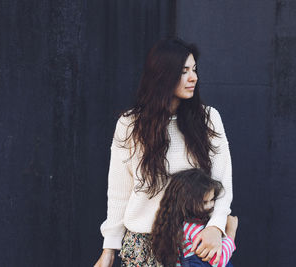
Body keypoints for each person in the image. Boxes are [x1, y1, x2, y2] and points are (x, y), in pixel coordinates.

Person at [94, 37, 233, 266]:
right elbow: (119, 192)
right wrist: (109, 249)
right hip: (143, 246)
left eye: (195, 69)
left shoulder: (208, 119)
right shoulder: (130, 125)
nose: (193, 78)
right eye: (184, 71)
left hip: (194, 243)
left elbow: (222, 181)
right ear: (163, 75)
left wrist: (216, 227)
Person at [151, 168, 238, 267]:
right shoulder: (194, 229)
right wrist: (231, 232)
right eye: (204, 202)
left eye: (212, 199)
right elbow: (219, 261)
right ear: (187, 203)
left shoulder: (177, 224)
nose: (210, 206)